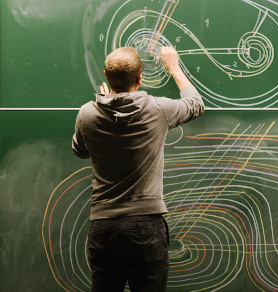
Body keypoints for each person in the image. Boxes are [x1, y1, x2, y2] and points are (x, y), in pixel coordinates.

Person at [72, 46, 205, 292]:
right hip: (145, 225)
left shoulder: (87, 113)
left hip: (103, 225)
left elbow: (80, 150)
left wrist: (103, 104)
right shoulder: (159, 109)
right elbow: (195, 103)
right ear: (140, 78)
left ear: (106, 75)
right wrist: (173, 66)